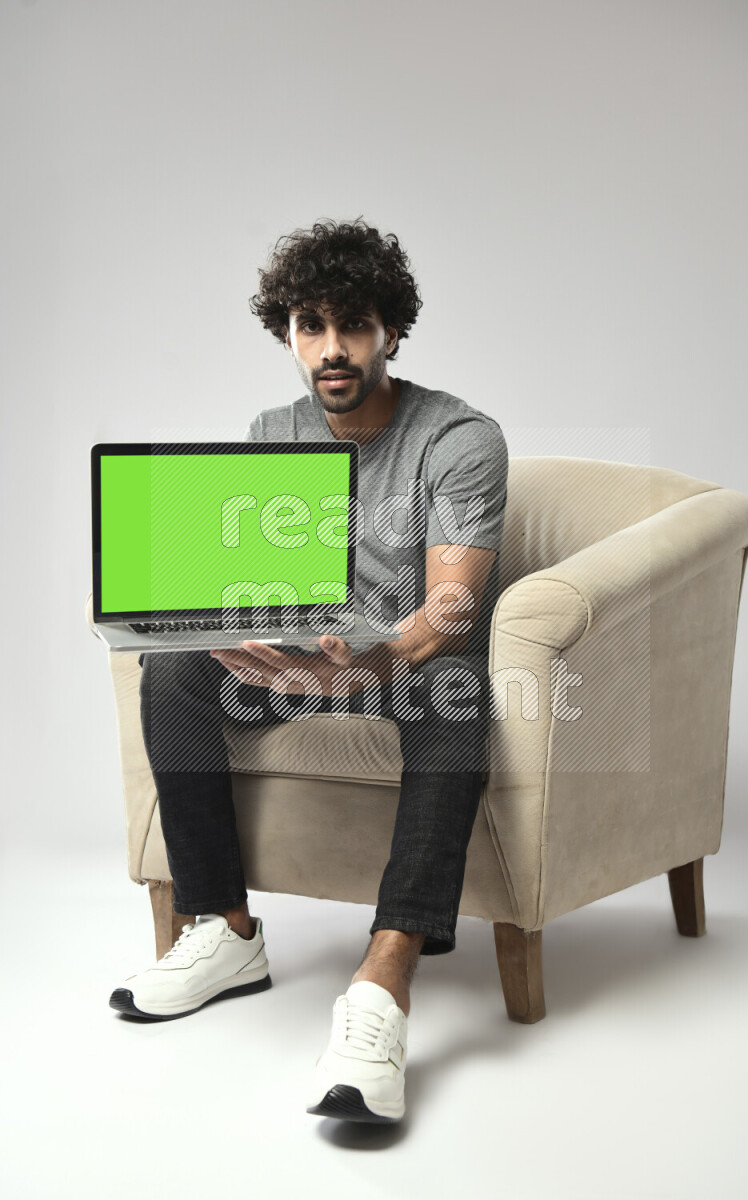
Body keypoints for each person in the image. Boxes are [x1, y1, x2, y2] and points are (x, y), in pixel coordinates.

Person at [110, 217, 509, 1125]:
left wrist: (366, 668)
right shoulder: (273, 431)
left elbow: (451, 610)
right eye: (310, 326)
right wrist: (204, 620)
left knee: (462, 694)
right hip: (303, 657)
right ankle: (221, 928)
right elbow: (255, 580)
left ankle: (381, 983)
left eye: (354, 325)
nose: (332, 349)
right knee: (172, 674)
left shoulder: (459, 437)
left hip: (409, 664)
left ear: (391, 332)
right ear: (289, 334)